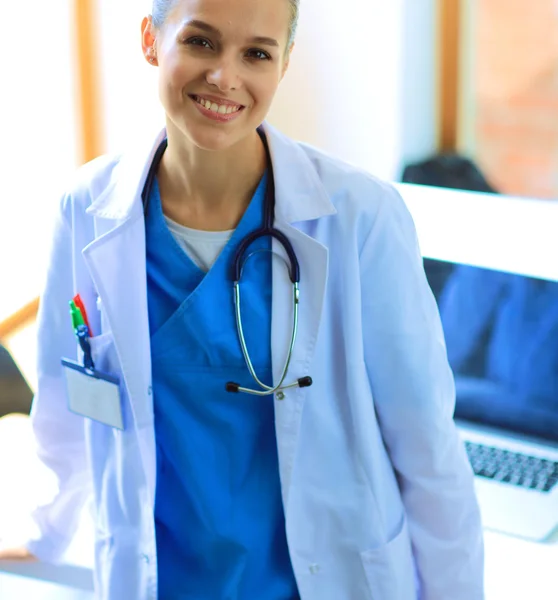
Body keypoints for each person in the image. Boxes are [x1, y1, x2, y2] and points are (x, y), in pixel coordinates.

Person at [0, 0, 484, 598]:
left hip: (322, 579)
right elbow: (64, 398)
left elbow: (426, 443)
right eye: (200, 42)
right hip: (158, 579)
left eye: (256, 53)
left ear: (283, 65)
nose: (225, 77)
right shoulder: (86, 208)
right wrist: (46, 532)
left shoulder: (362, 216)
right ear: (151, 40)